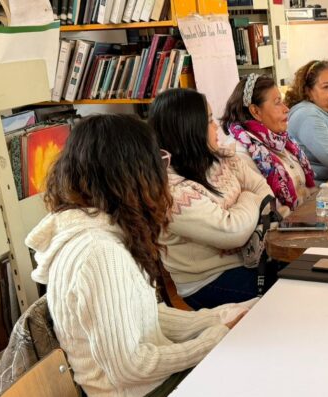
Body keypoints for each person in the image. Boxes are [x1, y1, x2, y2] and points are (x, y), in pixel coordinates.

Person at [27, 114, 255, 396]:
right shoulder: (100, 253)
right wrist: (215, 338)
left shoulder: (99, 231)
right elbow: (130, 367)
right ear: (131, 174)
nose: (163, 174)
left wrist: (218, 318)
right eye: (157, 162)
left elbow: (145, 318)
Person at [149, 88, 274, 310]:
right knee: (286, 294)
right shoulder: (171, 192)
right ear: (188, 129)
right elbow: (232, 231)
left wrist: (244, 212)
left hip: (250, 260)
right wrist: (246, 198)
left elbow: (264, 191)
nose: (216, 125)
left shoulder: (217, 158)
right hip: (209, 280)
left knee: (302, 272)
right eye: (208, 120)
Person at [222, 74, 316, 216]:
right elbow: (267, 210)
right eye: (277, 102)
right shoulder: (239, 153)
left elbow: (305, 191)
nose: (286, 109)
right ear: (256, 111)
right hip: (282, 230)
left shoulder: (280, 140)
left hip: (306, 220)